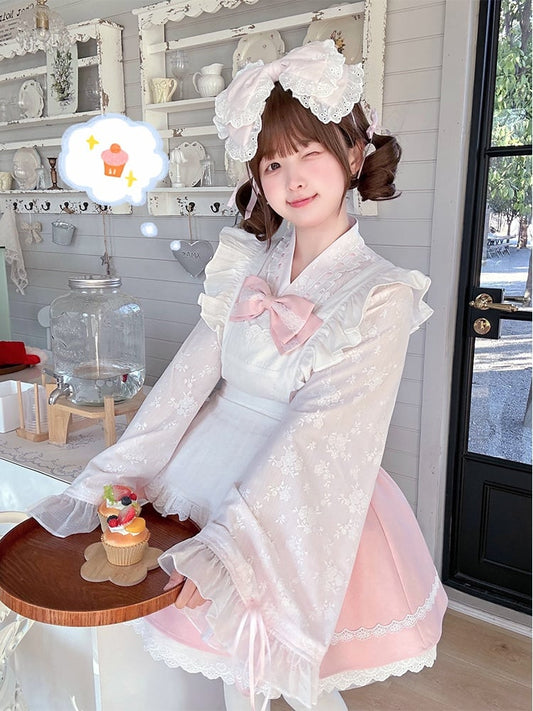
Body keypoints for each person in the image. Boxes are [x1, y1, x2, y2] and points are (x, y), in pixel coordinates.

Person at [31, 41, 447, 711]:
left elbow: (322, 433)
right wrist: (118, 472)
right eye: (273, 162)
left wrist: (233, 548)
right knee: (231, 673)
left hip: (300, 494)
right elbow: (184, 385)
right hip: (205, 475)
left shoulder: (381, 292)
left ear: (352, 155)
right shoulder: (247, 263)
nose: (292, 178)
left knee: (290, 673)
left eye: (309, 153)